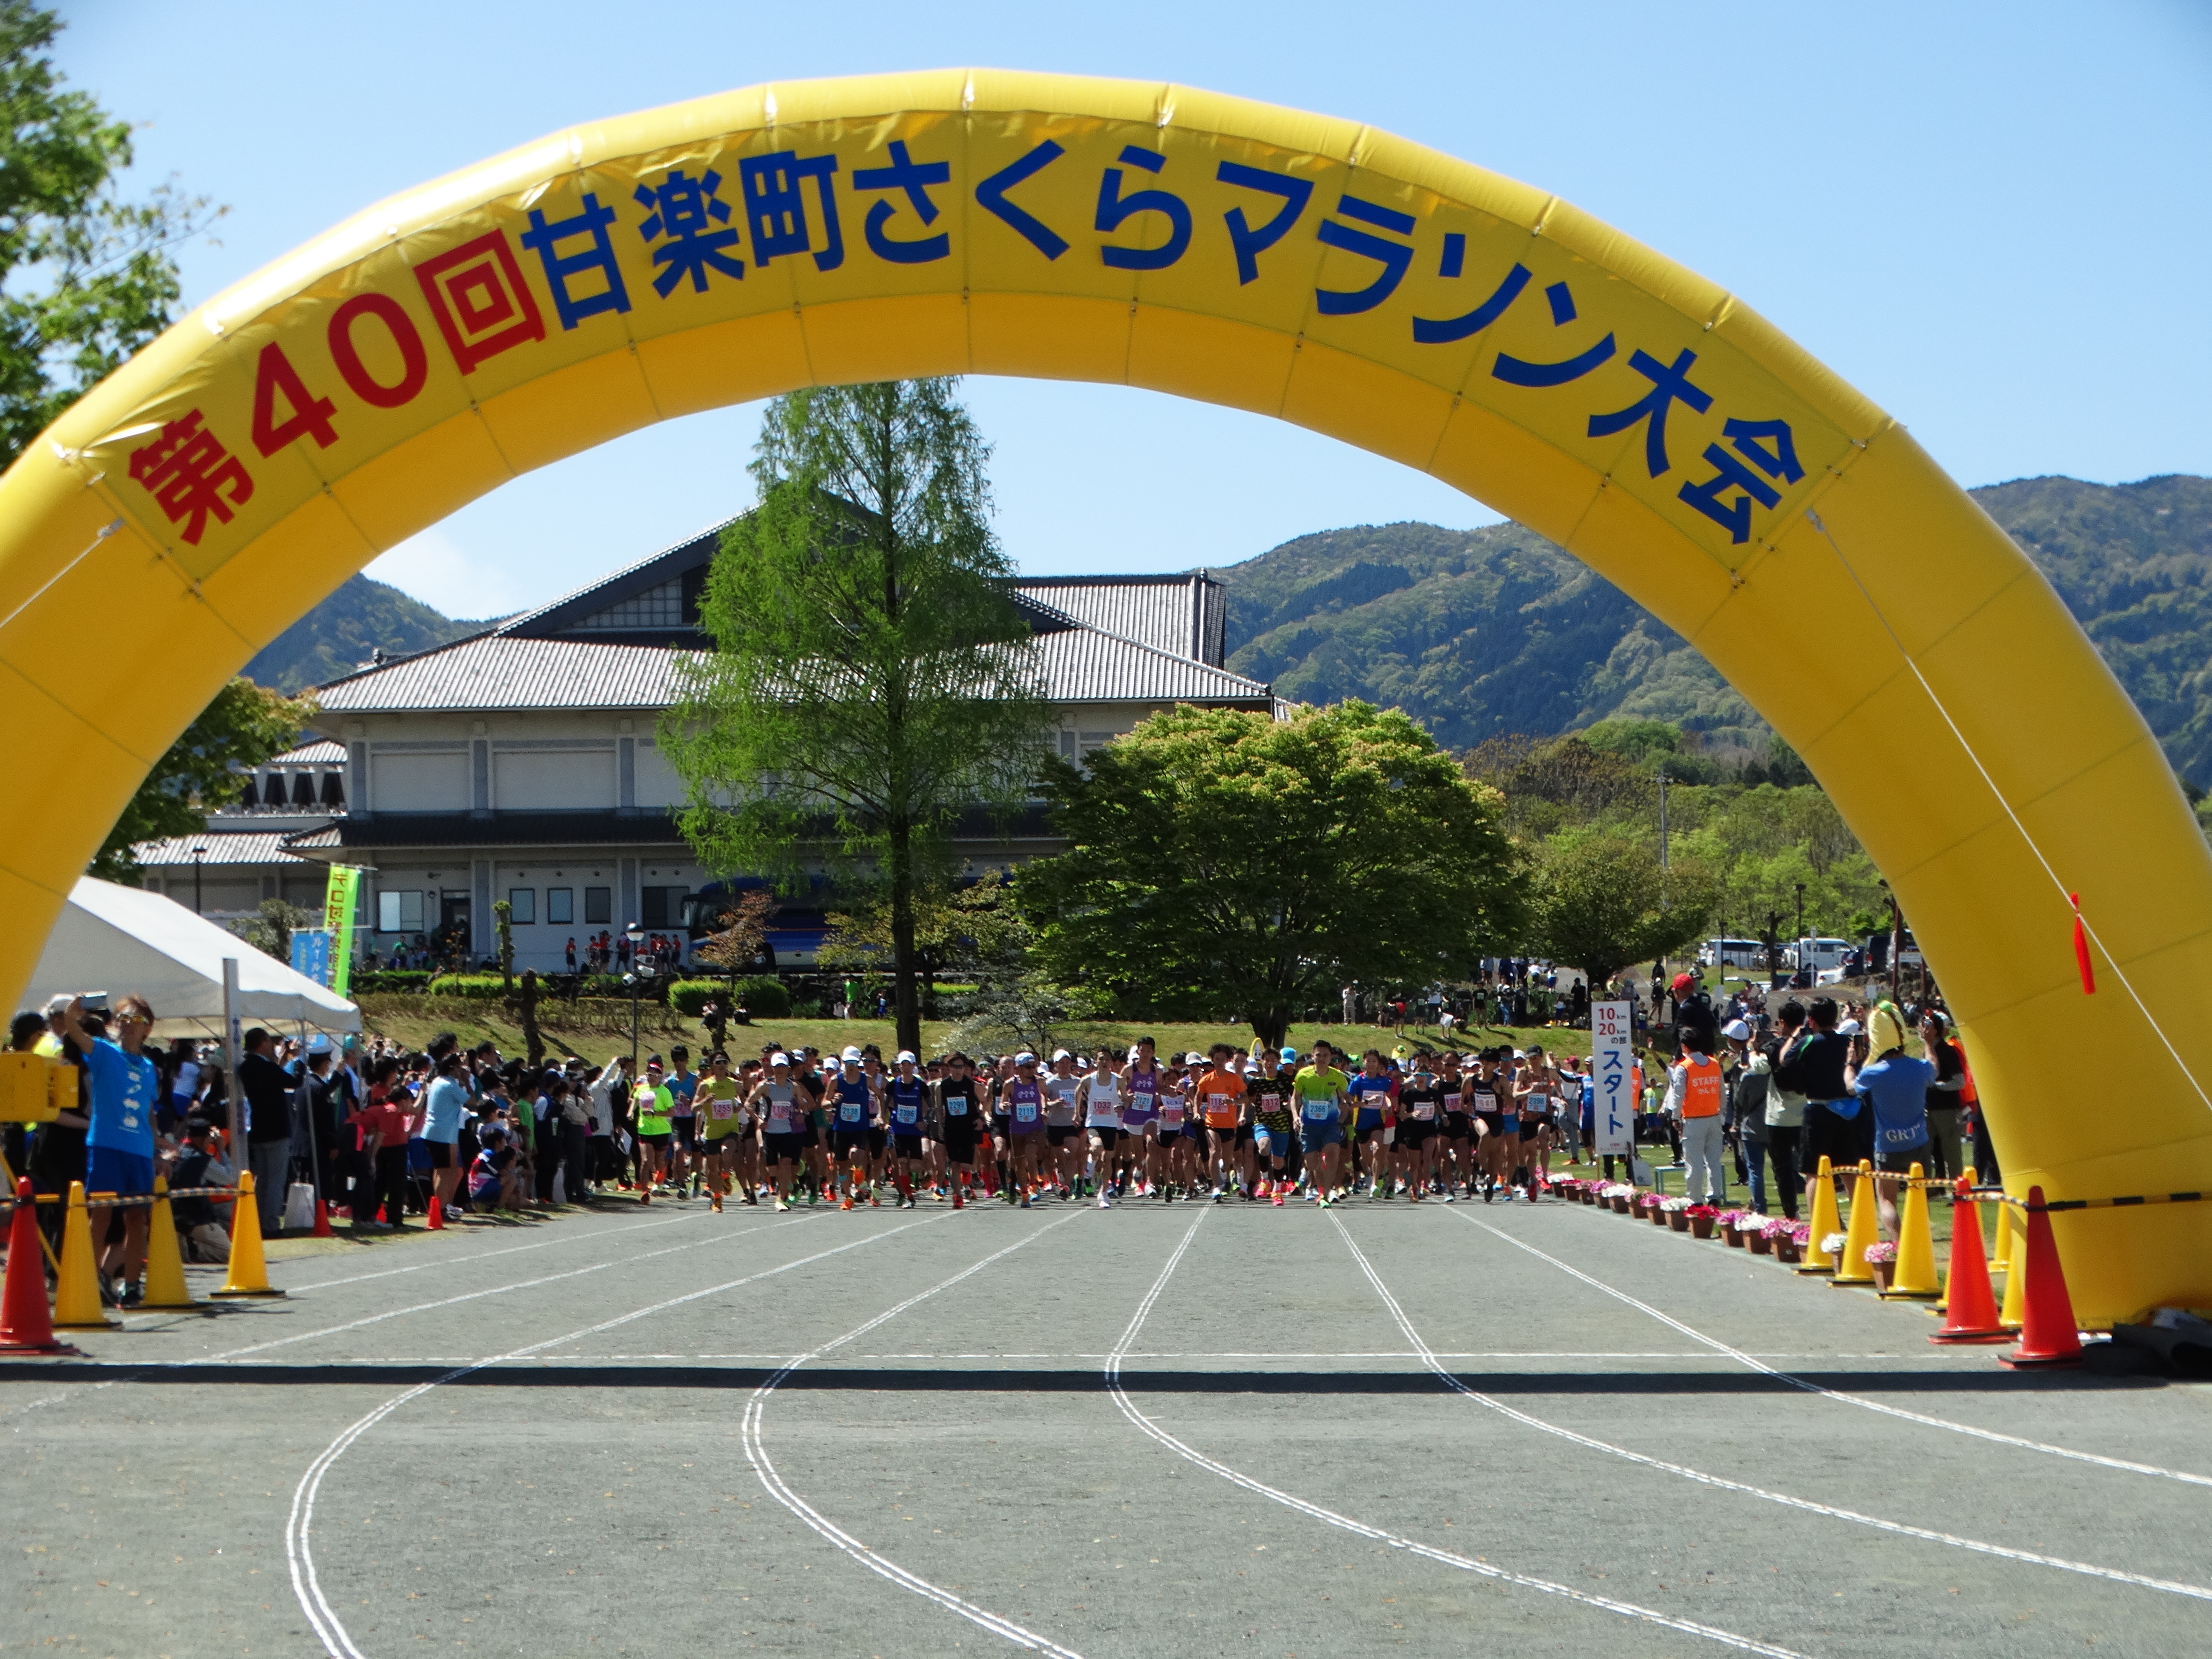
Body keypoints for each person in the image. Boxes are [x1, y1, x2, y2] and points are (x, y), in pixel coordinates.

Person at [51, 995, 159, 1304]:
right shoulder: (104, 1053)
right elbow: (76, 1034)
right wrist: (72, 1016)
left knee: (137, 1218)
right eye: (122, 1018)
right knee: (101, 1215)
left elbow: (149, 1110)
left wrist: (156, 1148)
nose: (127, 1025)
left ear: (147, 1029)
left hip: (139, 1150)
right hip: (106, 1145)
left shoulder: (150, 1068)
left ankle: (132, 1283)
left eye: (135, 1020)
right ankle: (93, 1276)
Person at [1853, 1001, 1936, 1237]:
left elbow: (1852, 1087)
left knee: (1887, 1199)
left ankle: (1899, 1249)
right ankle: (1920, 1248)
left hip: (1888, 1146)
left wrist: (1850, 1064)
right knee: (1919, 1198)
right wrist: (1928, 1045)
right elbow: (1934, 1070)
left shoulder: (1873, 1073)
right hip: (1918, 1142)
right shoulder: (1920, 1067)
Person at [237, 1027, 295, 1234]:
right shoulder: (267, 1069)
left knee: (261, 1181)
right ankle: (271, 1224)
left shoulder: (246, 1068)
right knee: (276, 1182)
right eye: (270, 1043)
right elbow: (292, 1081)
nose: (273, 1047)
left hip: (259, 1129)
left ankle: (259, 1221)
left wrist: (281, 1061)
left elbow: (275, 1076)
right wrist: (299, 1066)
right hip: (277, 1130)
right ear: (263, 1043)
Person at [1292, 1040, 1350, 1205]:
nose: (1322, 1058)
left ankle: (1326, 1193)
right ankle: (1320, 1187)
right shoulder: (1303, 1075)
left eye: (1326, 1055)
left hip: (1330, 1124)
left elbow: (1345, 1096)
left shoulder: (1337, 1076)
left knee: (1333, 1154)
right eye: (1319, 1055)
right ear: (1313, 1056)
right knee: (1312, 1162)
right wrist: (1296, 1116)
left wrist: (1347, 1106)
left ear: (1331, 1057)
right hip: (1309, 1125)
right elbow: (1295, 1097)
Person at [1675, 1029, 1727, 1206]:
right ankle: (1714, 1197)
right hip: (1713, 1117)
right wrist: (1722, 1114)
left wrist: (1675, 1118)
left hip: (1693, 1119)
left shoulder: (1684, 1067)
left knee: (1694, 1162)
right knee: (1714, 1161)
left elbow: (1678, 1096)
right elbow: (1722, 1093)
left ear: (1685, 1046)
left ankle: (1695, 1198)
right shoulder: (1714, 1064)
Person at [1920, 1010, 1969, 1182]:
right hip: (1928, 1108)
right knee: (1924, 1149)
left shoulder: (1948, 1052)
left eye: (1926, 1026)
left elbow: (1960, 1081)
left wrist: (1938, 1086)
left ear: (1935, 1029)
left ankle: (1958, 1189)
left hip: (1946, 1110)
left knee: (1952, 1152)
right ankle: (1927, 1187)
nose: (1922, 1029)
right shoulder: (1926, 1051)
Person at [419, 1051, 469, 1217]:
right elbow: (472, 1101)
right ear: (452, 1068)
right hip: (442, 1133)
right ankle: (440, 1209)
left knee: (443, 1170)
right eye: (459, 1066)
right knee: (445, 1171)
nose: (461, 1069)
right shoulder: (449, 1084)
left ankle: (440, 1205)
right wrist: (467, 1081)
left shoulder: (436, 1082)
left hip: (437, 1132)